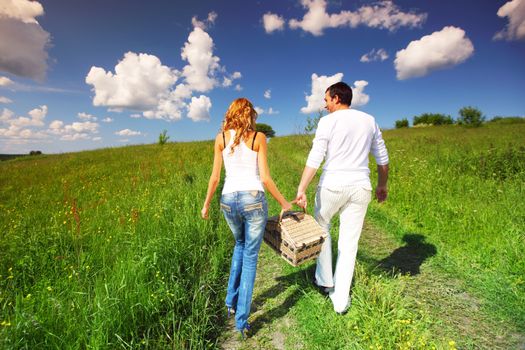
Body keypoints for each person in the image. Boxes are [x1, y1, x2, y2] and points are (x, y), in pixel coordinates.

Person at [295, 82, 389, 314]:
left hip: (332, 185)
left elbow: (316, 156)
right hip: (360, 187)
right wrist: (382, 185)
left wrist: (302, 188)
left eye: (326, 100)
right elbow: (382, 158)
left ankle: (326, 280)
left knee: (322, 228)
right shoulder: (369, 120)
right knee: (349, 243)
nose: (325, 105)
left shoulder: (327, 122)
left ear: (336, 98)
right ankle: (341, 301)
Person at [201, 98, 292, 337]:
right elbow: (265, 179)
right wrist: (284, 203)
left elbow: (214, 178)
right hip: (252, 199)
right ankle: (241, 321)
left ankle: (230, 302)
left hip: (228, 200)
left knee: (239, 245)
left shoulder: (220, 138)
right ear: (249, 114)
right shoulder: (258, 137)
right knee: (250, 257)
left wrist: (206, 204)